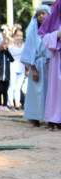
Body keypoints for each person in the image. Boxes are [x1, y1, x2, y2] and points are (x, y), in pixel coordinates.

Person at [21, 5, 51, 127]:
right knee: (36, 92)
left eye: (43, 13)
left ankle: (50, 117)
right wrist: (33, 69)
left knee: (50, 92)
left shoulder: (54, 30)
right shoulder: (32, 32)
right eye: (38, 14)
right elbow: (29, 51)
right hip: (37, 65)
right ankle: (34, 117)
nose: (41, 16)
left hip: (51, 65)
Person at [39, 0, 61, 130]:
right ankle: (55, 119)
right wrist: (56, 35)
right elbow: (43, 37)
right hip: (57, 58)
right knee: (56, 90)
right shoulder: (54, 21)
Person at [0, 27, 14, 111]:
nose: (4, 45)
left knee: (5, 91)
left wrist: (6, 50)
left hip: (6, 75)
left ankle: (5, 104)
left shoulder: (7, 53)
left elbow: (12, 59)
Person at [7, 28, 26, 110]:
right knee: (12, 85)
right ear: (14, 36)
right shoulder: (10, 45)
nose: (19, 37)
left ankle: (17, 103)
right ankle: (10, 102)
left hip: (22, 67)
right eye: (17, 35)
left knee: (18, 87)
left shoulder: (25, 45)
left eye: (21, 36)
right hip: (12, 66)